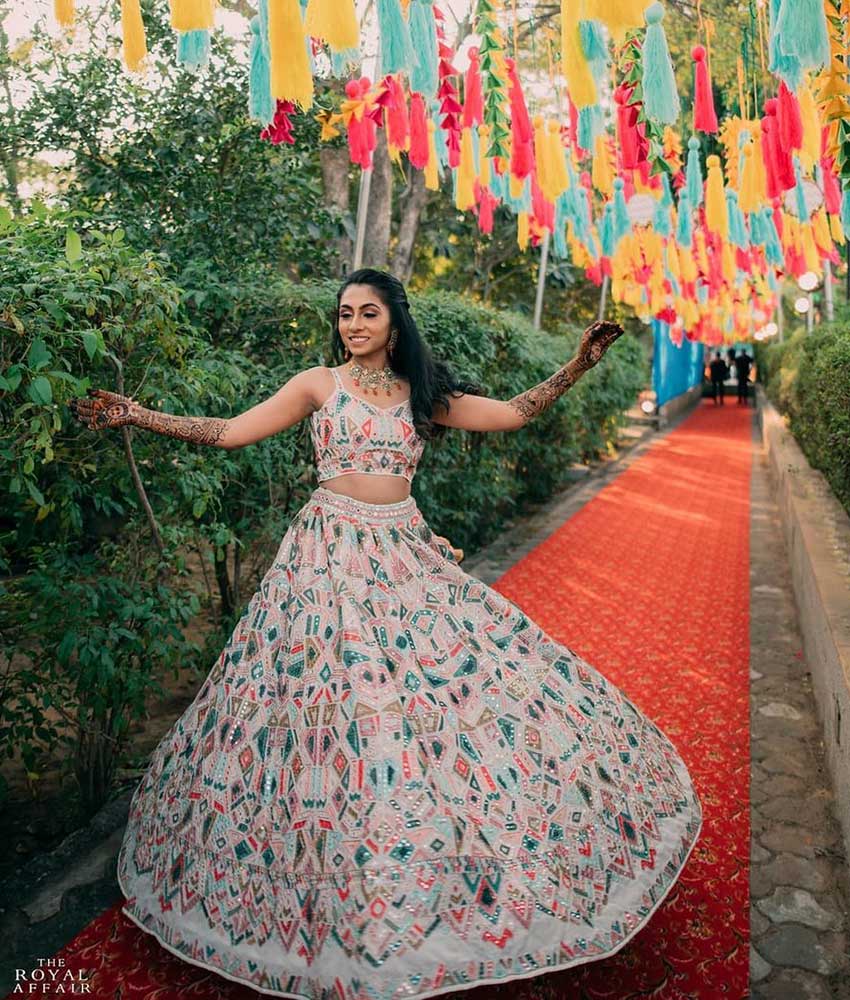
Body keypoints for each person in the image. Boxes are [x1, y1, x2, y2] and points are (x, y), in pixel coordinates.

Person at [70, 269, 701, 999]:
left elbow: (513, 414)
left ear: (394, 323)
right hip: (325, 565)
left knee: (449, 709)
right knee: (325, 717)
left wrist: (578, 364)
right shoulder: (317, 384)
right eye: (344, 314)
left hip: (405, 557)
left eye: (368, 313)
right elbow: (228, 433)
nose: (354, 324)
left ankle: (431, 887)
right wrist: (138, 414)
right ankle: (312, 903)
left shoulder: (418, 394)